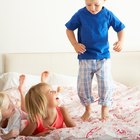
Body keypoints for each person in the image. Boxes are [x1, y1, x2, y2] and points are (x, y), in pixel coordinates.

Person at [65, 0, 125, 121]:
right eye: (88, 5)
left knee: (106, 84)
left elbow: (120, 28)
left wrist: (121, 41)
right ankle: (87, 109)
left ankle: (105, 109)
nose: (92, 8)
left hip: (103, 57)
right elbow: (69, 29)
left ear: (104, 1)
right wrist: (75, 44)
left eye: (96, 5)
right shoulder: (80, 14)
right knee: (83, 85)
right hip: (85, 57)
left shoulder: (108, 14)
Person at [20, 71, 76, 136]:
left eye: (53, 90)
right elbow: (21, 136)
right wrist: (37, 136)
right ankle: (21, 90)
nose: (55, 91)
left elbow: (74, 128)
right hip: (36, 112)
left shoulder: (62, 111)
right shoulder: (35, 119)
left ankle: (43, 81)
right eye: (50, 91)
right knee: (24, 110)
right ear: (42, 102)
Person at [0, 75, 27, 139]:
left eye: (10, 102)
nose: (13, 106)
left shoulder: (16, 112)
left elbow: (30, 116)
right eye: (9, 107)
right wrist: (6, 136)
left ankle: (21, 90)